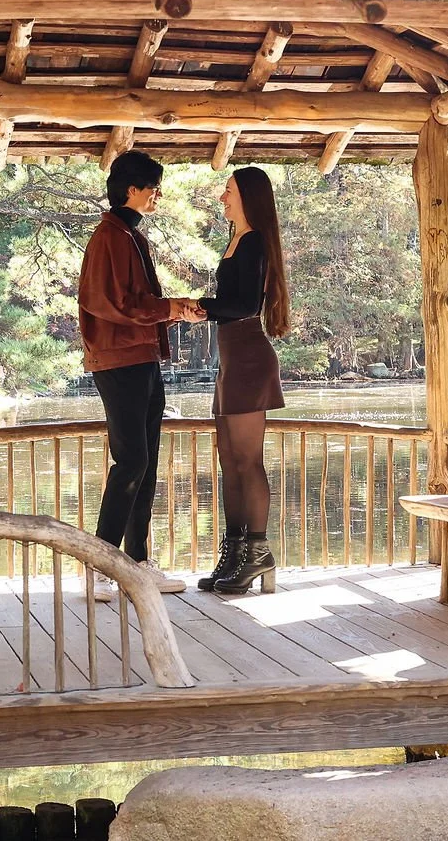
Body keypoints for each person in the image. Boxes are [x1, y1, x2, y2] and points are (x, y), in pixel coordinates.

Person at [76, 149, 203, 601]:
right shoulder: (109, 237)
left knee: (144, 462)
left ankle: (137, 562)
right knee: (131, 461)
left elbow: (134, 307)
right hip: (120, 360)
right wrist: (170, 308)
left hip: (141, 358)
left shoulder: (130, 236)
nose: (158, 196)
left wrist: (175, 311)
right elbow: (108, 303)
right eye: (153, 188)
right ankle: (100, 564)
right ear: (132, 190)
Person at [192, 166, 288, 595]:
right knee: (228, 462)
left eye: (227, 191)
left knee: (248, 461)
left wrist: (200, 306)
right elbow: (230, 302)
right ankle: (232, 554)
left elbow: (245, 303)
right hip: (230, 360)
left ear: (247, 196)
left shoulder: (253, 244)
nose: (221, 198)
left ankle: (257, 553)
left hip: (248, 357)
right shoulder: (235, 241)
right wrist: (205, 308)